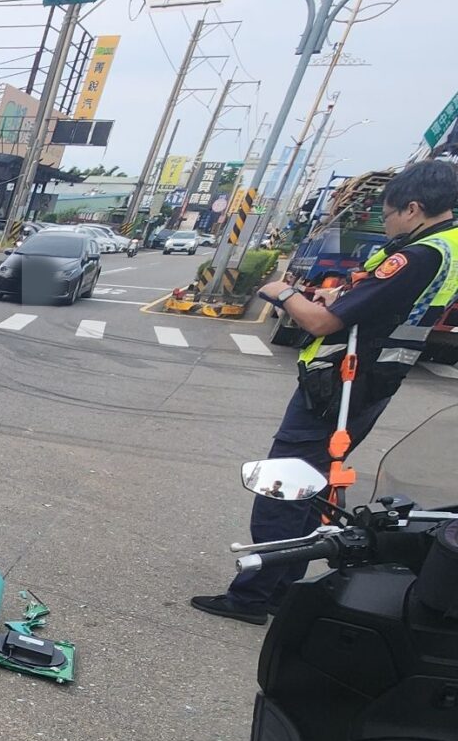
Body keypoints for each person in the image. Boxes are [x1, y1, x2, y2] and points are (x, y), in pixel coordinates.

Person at [192, 160, 458, 624]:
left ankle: (251, 596)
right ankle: (279, 589)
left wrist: (281, 293)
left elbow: (322, 324)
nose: (387, 222)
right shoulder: (446, 247)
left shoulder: (417, 255)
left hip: (341, 386)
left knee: (282, 484)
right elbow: (374, 306)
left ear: (414, 208)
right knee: (308, 489)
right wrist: (335, 296)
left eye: (390, 213)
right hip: (371, 384)